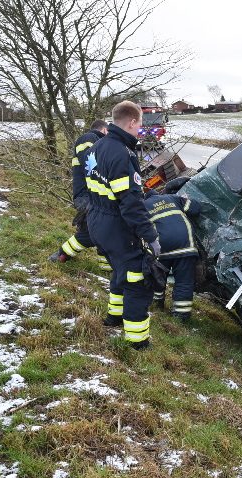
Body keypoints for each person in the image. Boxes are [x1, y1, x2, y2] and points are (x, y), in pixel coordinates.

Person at [85, 101, 160, 350]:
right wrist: (150, 235)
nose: (140, 130)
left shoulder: (96, 147)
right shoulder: (122, 153)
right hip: (115, 226)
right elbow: (130, 203)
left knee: (120, 270)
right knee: (138, 280)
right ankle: (137, 342)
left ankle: (114, 317)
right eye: (140, 124)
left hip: (96, 221)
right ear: (131, 122)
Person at [49, 120, 112, 271]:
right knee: (99, 230)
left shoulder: (97, 141)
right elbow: (92, 165)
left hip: (92, 195)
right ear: (104, 129)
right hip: (87, 196)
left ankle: (106, 269)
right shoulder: (88, 138)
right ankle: (60, 255)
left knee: (101, 230)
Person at [144, 191, 201, 321]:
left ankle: (156, 305)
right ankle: (181, 316)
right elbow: (196, 209)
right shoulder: (172, 198)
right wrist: (187, 198)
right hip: (186, 245)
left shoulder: (143, 205)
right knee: (184, 281)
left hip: (162, 247)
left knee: (157, 276)